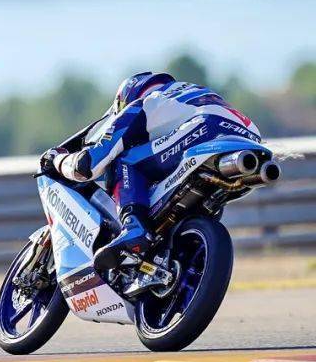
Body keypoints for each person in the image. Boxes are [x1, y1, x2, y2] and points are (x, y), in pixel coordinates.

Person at [40, 72, 260, 273]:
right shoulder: (188, 98)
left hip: (204, 128)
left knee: (127, 160)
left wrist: (57, 159)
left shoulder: (143, 104)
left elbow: (87, 166)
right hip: (250, 137)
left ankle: (134, 227)